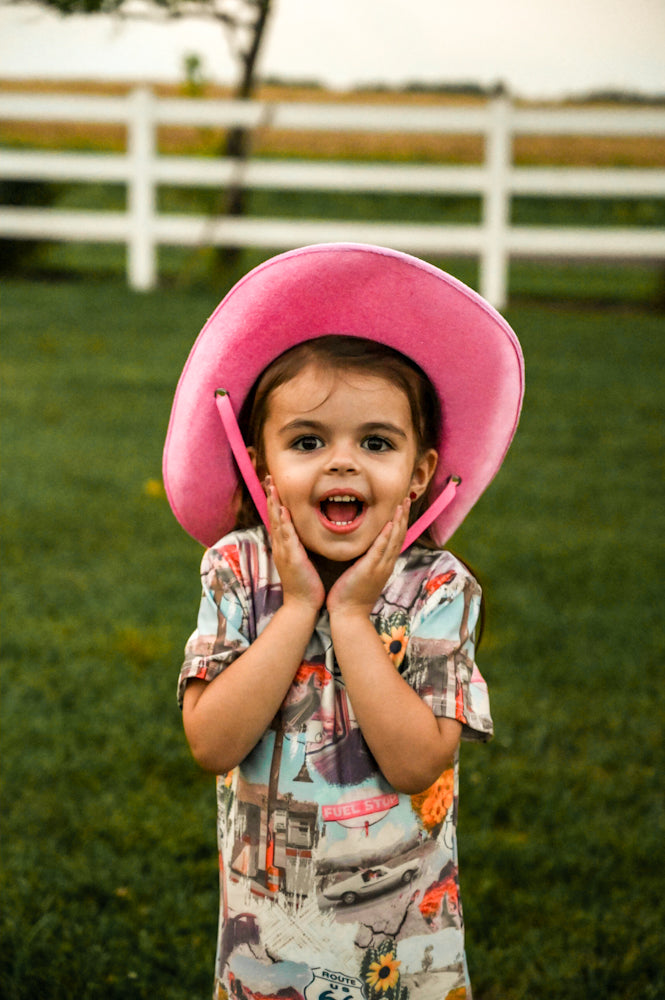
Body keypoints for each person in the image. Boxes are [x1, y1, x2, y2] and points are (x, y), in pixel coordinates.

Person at [163, 243, 524, 999]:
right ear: (262, 470)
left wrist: (351, 617)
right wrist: (298, 608)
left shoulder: (437, 588)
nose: (342, 463)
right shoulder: (238, 572)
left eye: (375, 442)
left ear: (420, 473)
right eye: (306, 442)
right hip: (269, 954)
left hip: (404, 945)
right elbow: (212, 741)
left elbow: (417, 761)